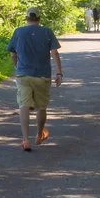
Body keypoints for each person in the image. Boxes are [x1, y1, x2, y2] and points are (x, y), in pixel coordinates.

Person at [8, 8, 63, 151]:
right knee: (41, 107)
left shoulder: (18, 32)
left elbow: (13, 54)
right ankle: (39, 135)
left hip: (23, 75)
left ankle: (25, 140)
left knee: (24, 106)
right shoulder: (46, 31)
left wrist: (17, 68)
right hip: (42, 75)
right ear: (39, 18)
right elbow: (55, 53)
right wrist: (59, 73)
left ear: (26, 18)